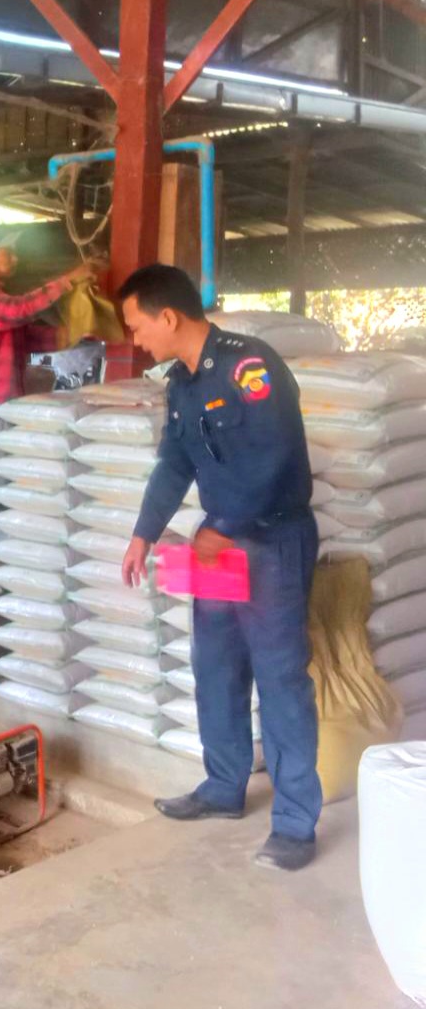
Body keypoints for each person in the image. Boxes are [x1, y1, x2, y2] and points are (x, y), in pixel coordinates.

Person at [118, 264, 321, 872]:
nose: (135, 340)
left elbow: (275, 452)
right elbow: (175, 464)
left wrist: (223, 525)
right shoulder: (181, 384)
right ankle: (224, 785)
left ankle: (295, 824)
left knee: (280, 679)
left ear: (168, 317)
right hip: (219, 545)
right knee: (215, 665)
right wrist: (143, 533)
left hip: (270, 540)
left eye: (136, 327)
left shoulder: (247, 366)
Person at [0, 229, 101, 566]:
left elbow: (35, 337)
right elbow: (21, 309)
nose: (15, 258)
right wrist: (68, 280)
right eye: (8, 252)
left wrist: (80, 330)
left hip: (8, 409)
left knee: (2, 485)